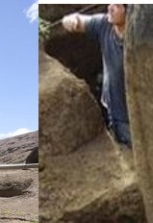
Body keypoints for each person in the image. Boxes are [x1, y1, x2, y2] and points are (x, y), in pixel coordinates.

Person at [62, 4, 132, 148]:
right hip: (112, 109)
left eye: (117, 5)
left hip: (133, 116)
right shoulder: (104, 24)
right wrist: (71, 19)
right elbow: (78, 20)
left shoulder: (138, 35)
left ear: (129, 10)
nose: (110, 8)